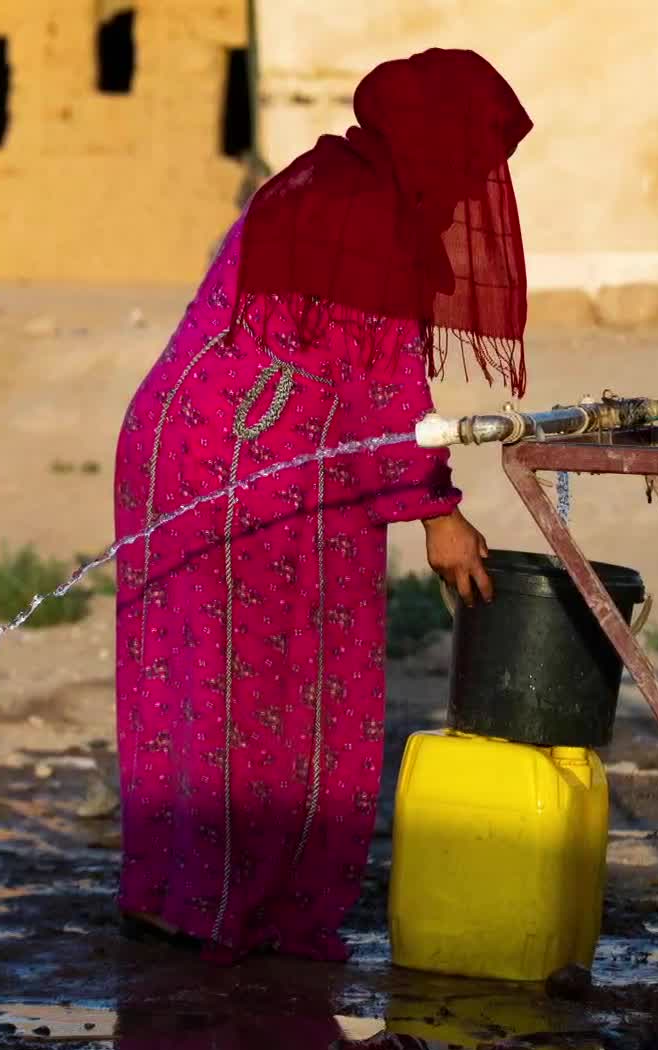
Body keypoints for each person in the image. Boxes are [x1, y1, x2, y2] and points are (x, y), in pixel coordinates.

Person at [111, 48, 533, 964]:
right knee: (276, 685)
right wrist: (438, 515)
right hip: (253, 465)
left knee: (190, 683)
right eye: (471, 155)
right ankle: (247, 913)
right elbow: (380, 392)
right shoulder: (367, 217)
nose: (475, 181)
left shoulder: (313, 179)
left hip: (186, 443)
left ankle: (178, 896)